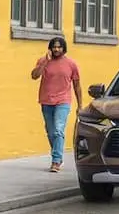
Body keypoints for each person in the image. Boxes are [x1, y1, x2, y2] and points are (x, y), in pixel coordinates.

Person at [30, 36, 82, 173]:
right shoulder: (43, 61)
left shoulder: (71, 64)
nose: (56, 49)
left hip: (63, 101)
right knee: (51, 132)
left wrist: (80, 105)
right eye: (54, 47)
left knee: (59, 130)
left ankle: (56, 161)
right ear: (50, 48)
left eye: (59, 47)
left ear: (64, 48)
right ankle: (57, 154)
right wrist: (44, 62)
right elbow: (34, 76)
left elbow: (77, 85)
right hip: (46, 101)